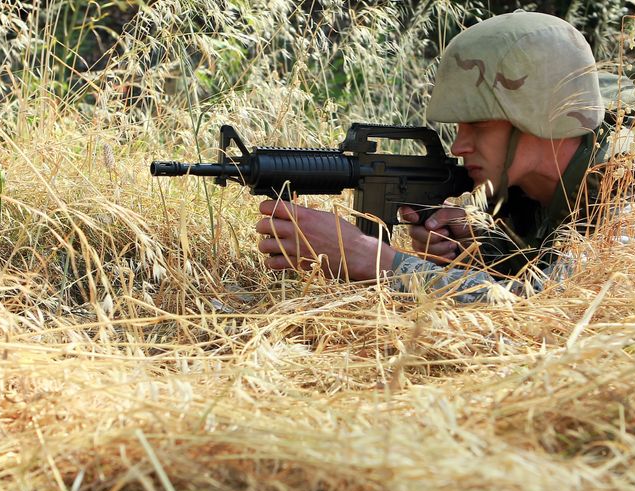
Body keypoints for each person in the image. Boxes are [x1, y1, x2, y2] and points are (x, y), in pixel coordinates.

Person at [254, 11, 608, 303]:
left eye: (479, 126)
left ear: (541, 115)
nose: (458, 147)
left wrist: (374, 260)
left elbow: (550, 303)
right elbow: (539, 260)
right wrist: (487, 247)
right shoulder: (517, 189)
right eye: (458, 128)